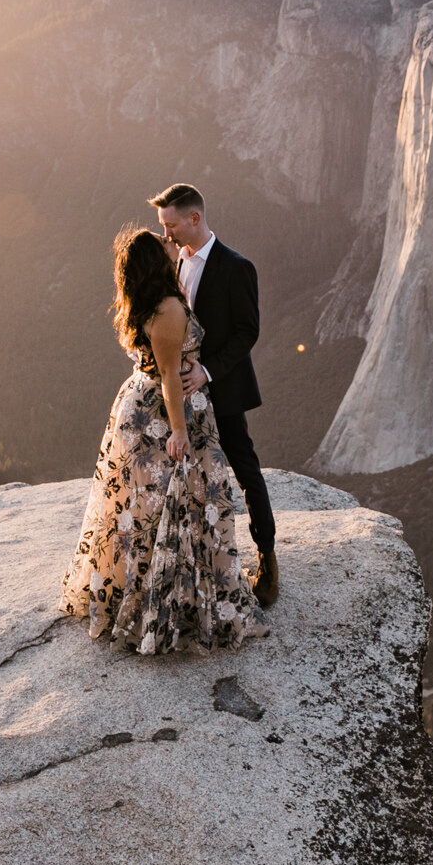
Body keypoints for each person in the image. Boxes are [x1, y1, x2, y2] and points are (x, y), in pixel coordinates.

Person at [61, 226, 267, 654]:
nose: (172, 241)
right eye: (164, 242)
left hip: (139, 406)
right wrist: (178, 430)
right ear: (157, 261)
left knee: (147, 508)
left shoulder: (142, 301)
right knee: (188, 502)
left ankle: (141, 590)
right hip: (165, 412)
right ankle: (178, 606)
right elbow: (171, 374)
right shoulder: (170, 308)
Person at [150, 183, 278, 606]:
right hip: (180, 394)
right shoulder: (172, 262)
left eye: (170, 225)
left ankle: (268, 555)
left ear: (194, 218)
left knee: (244, 466)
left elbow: (248, 332)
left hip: (220, 388)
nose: (165, 234)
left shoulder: (236, 267)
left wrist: (206, 372)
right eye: (161, 226)